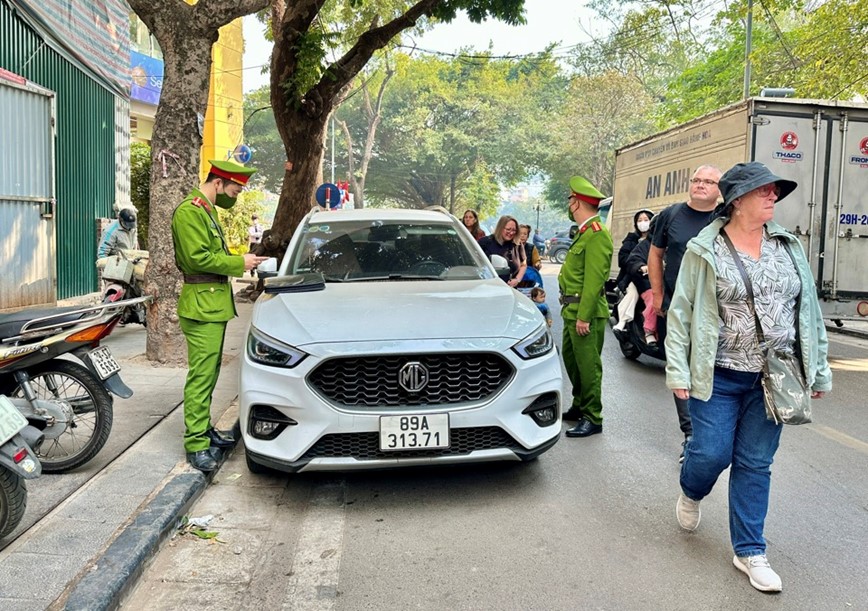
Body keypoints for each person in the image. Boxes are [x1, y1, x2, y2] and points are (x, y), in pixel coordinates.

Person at [665, 161, 832, 593]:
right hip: (718, 374)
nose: (773, 196)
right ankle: (691, 489)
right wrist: (677, 368)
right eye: (764, 191)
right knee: (711, 454)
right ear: (738, 200)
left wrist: (818, 367)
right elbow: (681, 313)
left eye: (775, 190)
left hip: (774, 377)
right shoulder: (706, 250)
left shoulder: (787, 245)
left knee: (756, 463)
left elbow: (808, 310)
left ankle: (750, 551)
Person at [171, 160, 270, 472]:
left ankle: (205, 430)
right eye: (235, 189)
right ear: (218, 182)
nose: (236, 195)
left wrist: (243, 261)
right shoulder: (190, 211)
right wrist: (239, 262)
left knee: (210, 373)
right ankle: (196, 443)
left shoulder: (205, 210)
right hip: (201, 305)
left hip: (210, 303)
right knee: (201, 377)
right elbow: (198, 258)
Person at [648, 165, 722, 461]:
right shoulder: (671, 215)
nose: (700, 185)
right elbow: (656, 254)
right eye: (696, 180)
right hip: (677, 308)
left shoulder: (726, 217)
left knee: (713, 369)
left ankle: (711, 429)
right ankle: (690, 434)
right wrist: (657, 294)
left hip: (716, 311)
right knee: (681, 369)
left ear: (720, 189)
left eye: (708, 181)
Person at [558, 176, 613, 437]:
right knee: (573, 362)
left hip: (584, 313)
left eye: (570, 199)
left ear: (577, 203)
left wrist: (584, 317)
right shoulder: (584, 234)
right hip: (571, 310)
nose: (569, 204)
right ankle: (579, 405)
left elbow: (594, 281)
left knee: (589, 366)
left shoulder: (596, 235)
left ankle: (593, 416)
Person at [612, 209, 654, 333]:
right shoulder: (631, 240)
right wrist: (639, 265)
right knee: (634, 291)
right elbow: (623, 259)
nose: (643, 223)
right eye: (640, 220)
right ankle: (623, 321)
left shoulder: (658, 239)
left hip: (653, 276)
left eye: (646, 220)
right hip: (632, 277)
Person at [623, 215, 659, 344]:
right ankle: (649, 330)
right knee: (655, 299)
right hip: (647, 282)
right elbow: (632, 260)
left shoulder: (672, 244)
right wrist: (642, 267)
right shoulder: (644, 245)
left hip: (670, 283)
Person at [478, 216, 527, 288]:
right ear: (500, 228)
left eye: (514, 230)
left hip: (511, 289)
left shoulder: (517, 244)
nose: (511, 233)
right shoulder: (485, 242)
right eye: (508, 229)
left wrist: (517, 279)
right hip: (489, 287)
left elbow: (524, 264)